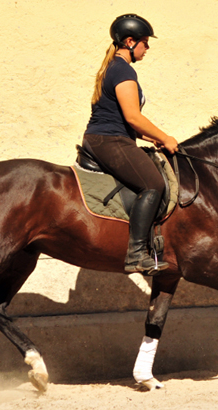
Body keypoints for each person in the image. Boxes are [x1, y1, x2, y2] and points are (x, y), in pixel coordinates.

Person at [82, 14, 178, 274]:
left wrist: (153, 139)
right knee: (153, 184)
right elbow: (133, 117)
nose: (147, 48)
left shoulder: (113, 68)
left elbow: (123, 121)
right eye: (145, 42)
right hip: (109, 140)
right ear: (129, 41)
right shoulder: (124, 70)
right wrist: (166, 137)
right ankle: (136, 255)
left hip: (108, 137)